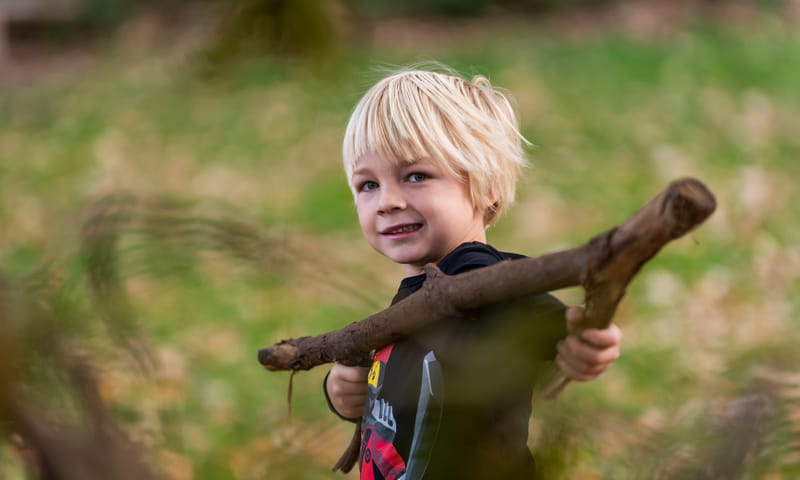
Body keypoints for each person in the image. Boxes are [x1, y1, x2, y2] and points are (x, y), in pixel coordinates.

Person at [324, 66, 622, 479]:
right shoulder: (416, 292)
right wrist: (343, 387)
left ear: (485, 187)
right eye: (368, 185)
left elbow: (536, 313)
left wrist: (581, 337)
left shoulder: (478, 278)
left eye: (416, 176)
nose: (387, 201)